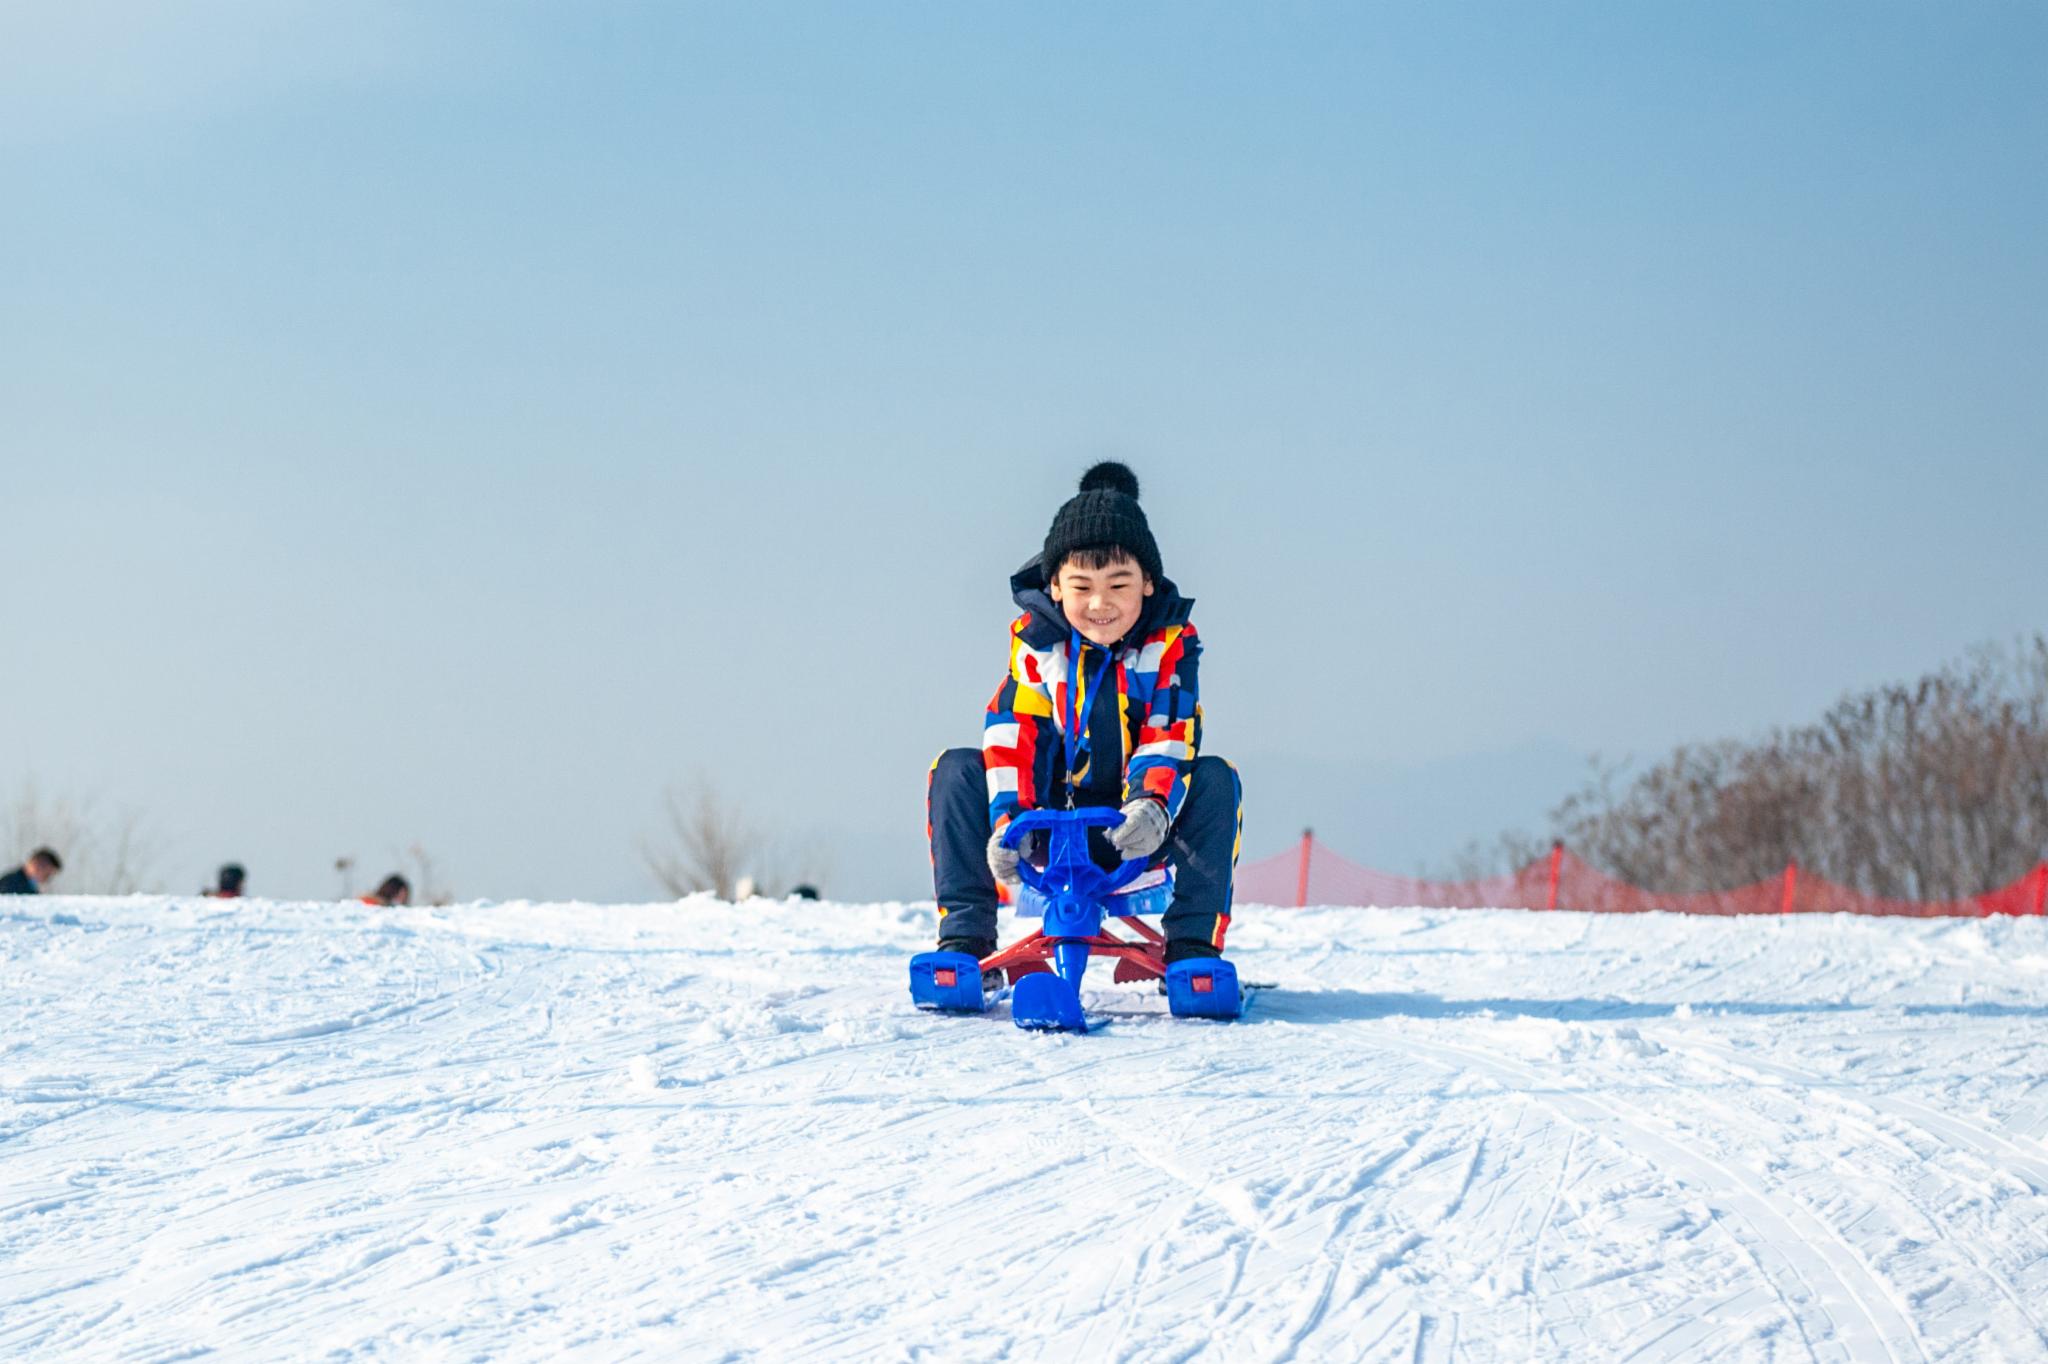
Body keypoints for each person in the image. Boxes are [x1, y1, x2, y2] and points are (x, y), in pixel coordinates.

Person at [927, 460, 1241, 971]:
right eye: (1081, 586)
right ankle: (964, 941)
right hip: (1046, 823)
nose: (1100, 603)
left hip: (1137, 829)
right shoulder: (1037, 648)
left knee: (1215, 779)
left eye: (1119, 585)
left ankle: (1192, 948)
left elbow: (1170, 729)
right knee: (957, 769)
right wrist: (1011, 820)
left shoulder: (1169, 647)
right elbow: (1014, 733)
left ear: (1146, 584)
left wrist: (1151, 806)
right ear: (1054, 586)